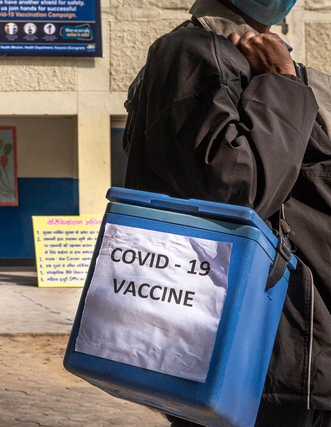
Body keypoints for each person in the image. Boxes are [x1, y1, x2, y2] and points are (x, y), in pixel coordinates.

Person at [122, 0, 331, 425]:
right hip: (262, 356)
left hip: (300, 356)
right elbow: (239, 195)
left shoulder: (267, 57)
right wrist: (278, 84)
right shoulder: (192, 51)